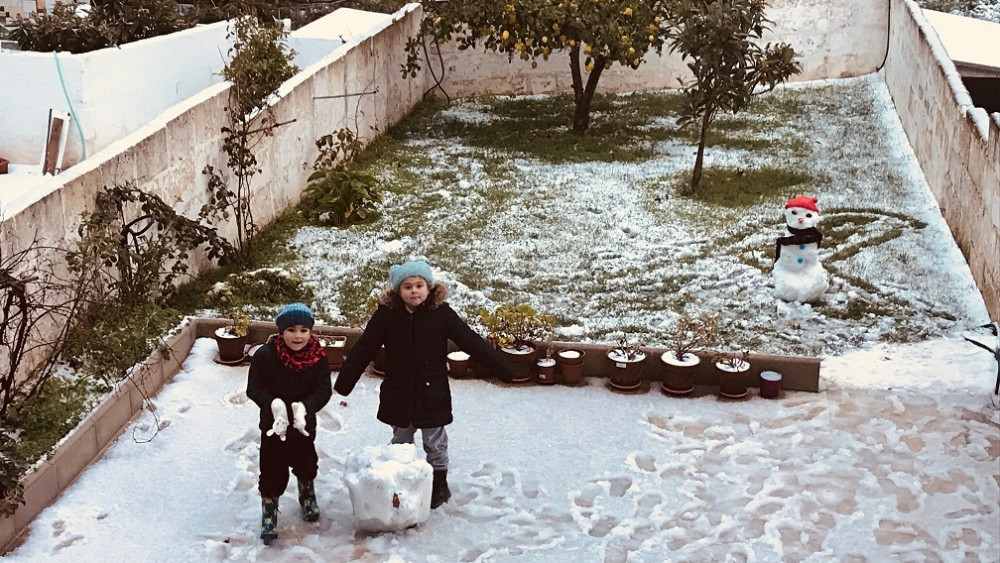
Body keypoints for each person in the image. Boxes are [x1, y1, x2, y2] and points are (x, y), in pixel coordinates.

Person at [334, 260, 514, 509]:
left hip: (432, 393)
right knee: (400, 440)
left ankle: (440, 483)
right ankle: (400, 480)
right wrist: (345, 383)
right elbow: (365, 347)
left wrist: (503, 369)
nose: (414, 291)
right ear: (398, 290)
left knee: (435, 441)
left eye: (419, 285)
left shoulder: (441, 313)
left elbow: (470, 341)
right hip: (399, 392)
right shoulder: (387, 315)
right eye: (407, 286)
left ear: (429, 287)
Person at [247, 303, 332, 545]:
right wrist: (272, 403)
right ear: (281, 331)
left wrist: (305, 407)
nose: (298, 336)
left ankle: (307, 495)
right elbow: (254, 388)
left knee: (306, 462)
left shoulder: (318, 358)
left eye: (304, 330)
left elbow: (323, 390)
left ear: (311, 332)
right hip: (274, 426)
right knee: (272, 469)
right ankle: (269, 513)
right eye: (292, 329)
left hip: (303, 424)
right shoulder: (265, 356)